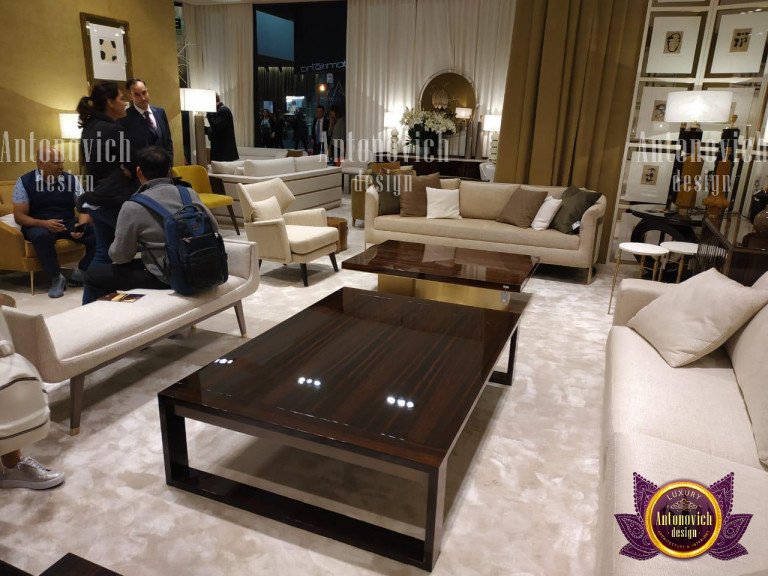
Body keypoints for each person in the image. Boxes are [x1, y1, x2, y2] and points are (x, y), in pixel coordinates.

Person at [84, 146, 218, 301]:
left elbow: (121, 256)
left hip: (165, 276)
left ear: (139, 171)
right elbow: (213, 227)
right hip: (203, 268)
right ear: (169, 170)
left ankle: (103, 321)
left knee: (94, 276)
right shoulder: (189, 193)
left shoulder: (133, 206)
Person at [77, 81, 137, 304]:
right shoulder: (112, 129)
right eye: (122, 98)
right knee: (137, 247)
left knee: (103, 251)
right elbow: (133, 162)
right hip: (113, 199)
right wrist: (126, 170)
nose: (125, 103)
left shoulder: (89, 127)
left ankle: (88, 305)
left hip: (96, 199)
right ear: (110, 103)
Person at [12, 145, 95, 298]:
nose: (62, 166)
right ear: (41, 163)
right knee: (41, 236)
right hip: (37, 223)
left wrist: (81, 225)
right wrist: (43, 223)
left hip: (66, 221)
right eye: (56, 163)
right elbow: (19, 216)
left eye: (62, 162)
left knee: (97, 232)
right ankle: (56, 278)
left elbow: (84, 207)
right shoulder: (24, 182)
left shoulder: (71, 179)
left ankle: (81, 272)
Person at [119, 78, 174, 165]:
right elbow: (124, 150)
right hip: (140, 173)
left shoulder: (160, 112)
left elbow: (168, 141)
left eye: (144, 92)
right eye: (137, 95)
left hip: (164, 171)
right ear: (130, 96)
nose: (143, 98)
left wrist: (169, 164)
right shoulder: (124, 118)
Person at [205, 94, 239, 161]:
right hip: (222, 153)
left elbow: (216, 126)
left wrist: (209, 112)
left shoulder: (223, 111)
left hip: (224, 154)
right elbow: (217, 129)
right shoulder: (221, 110)